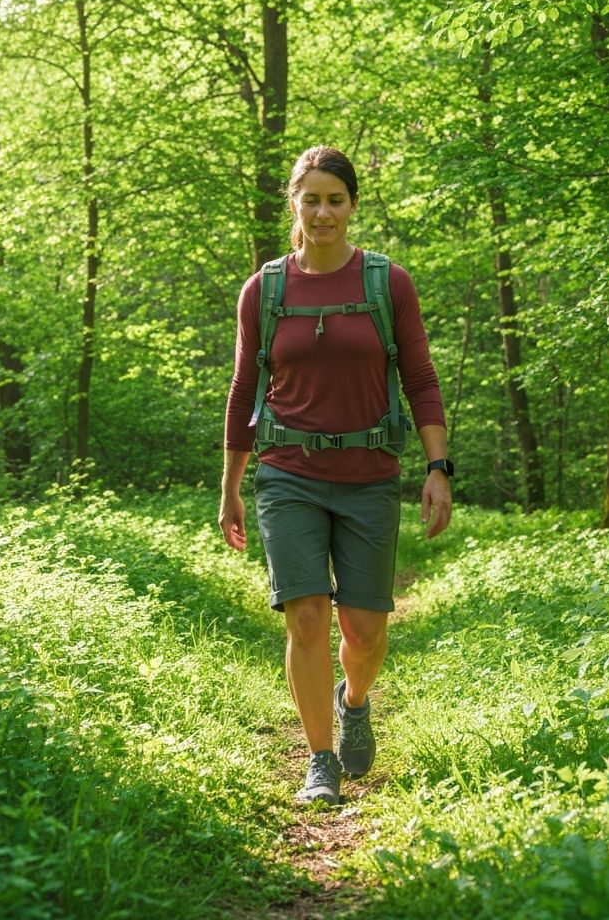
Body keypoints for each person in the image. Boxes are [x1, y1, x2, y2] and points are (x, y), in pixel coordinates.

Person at [219, 145, 452, 806]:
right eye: (311, 200)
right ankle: (319, 760)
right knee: (306, 616)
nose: (322, 213)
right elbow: (242, 392)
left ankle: (354, 700)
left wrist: (437, 467)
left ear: (351, 205)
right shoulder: (265, 290)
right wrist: (231, 486)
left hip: (369, 476)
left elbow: (420, 379)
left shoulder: (388, 283)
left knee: (365, 632)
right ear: (294, 204)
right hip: (287, 474)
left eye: (335, 200)